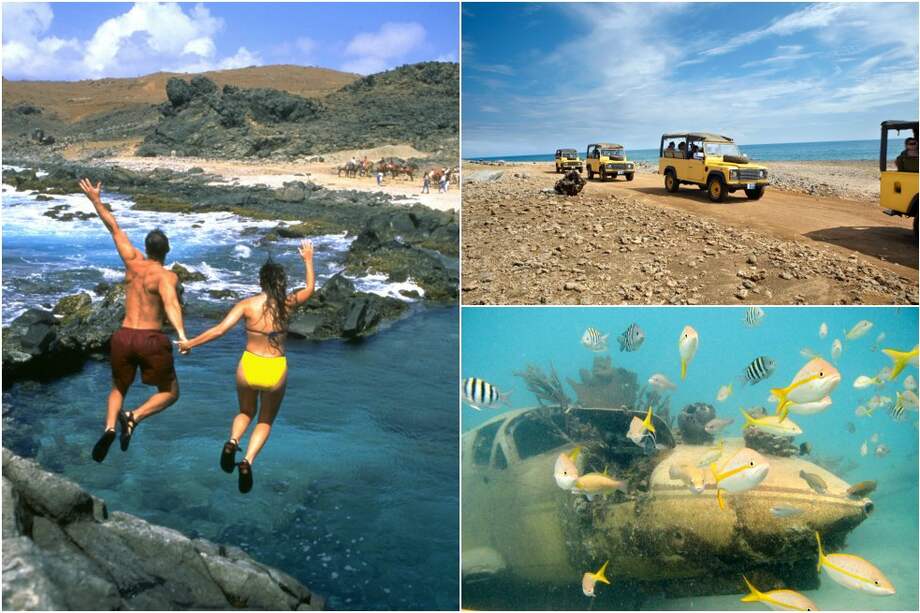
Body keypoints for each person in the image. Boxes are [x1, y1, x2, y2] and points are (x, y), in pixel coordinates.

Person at [178, 241, 315, 493]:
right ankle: (247, 461)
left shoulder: (246, 305)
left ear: (261, 282)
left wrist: (190, 343)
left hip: (249, 365)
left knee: (245, 412)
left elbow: (219, 330)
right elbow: (310, 288)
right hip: (275, 368)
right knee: (265, 420)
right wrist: (308, 258)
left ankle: (232, 441)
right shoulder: (288, 303)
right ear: (281, 283)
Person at [78, 179, 187, 463]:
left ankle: (110, 426)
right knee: (170, 392)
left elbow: (113, 227)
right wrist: (182, 335)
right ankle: (133, 417)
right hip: (150, 339)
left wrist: (95, 199)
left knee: (118, 388)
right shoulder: (167, 276)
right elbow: (172, 304)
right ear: (167, 251)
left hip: (124, 336)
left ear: (146, 248)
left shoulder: (132, 262)